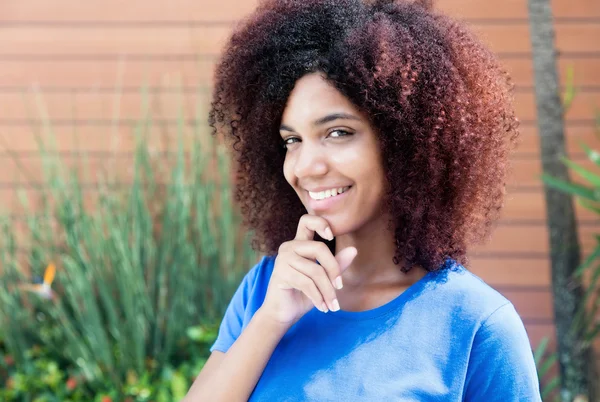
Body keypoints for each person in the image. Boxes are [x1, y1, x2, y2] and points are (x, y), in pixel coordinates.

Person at [184, 0, 542, 400]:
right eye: (292, 140)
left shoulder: (477, 325)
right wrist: (271, 319)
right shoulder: (266, 290)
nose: (306, 166)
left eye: (338, 132)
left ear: (405, 141)